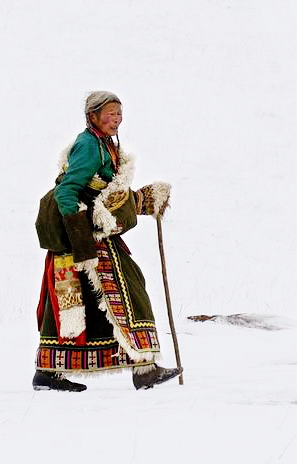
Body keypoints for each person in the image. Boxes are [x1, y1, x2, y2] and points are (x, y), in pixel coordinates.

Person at [33, 91, 182, 391]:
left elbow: (104, 195)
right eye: (110, 113)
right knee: (130, 290)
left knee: (74, 302)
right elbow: (67, 193)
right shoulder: (89, 146)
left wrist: (140, 200)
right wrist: (81, 243)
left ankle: (48, 373)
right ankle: (144, 369)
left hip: (93, 234)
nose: (117, 119)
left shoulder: (106, 145)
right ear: (93, 116)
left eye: (120, 113)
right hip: (86, 238)